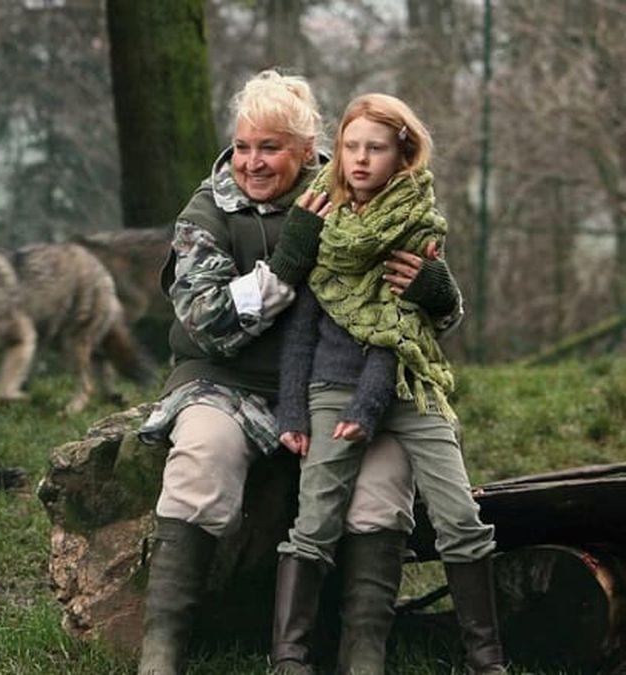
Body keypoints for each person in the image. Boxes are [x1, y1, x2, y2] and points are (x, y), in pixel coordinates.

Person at [135, 71, 465, 675]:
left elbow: (410, 315)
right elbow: (204, 324)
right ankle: (162, 649)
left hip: (343, 387)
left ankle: (363, 653)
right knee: (202, 454)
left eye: (270, 148)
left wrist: (438, 293)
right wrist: (286, 263)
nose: (252, 163)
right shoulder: (207, 212)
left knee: (383, 483)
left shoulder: (352, 194)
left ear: (307, 149)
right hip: (225, 382)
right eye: (242, 146)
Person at [271, 93, 506, 675]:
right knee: (315, 518)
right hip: (331, 388)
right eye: (351, 146)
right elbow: (298, 331)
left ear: (402, 155)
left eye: (375, 148)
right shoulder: (320, 218)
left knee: (459, 516)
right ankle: (288, 657)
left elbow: (399, 331)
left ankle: (487, 659)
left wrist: (437, 286)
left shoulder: (418, 225)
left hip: (409, 385)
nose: (359, 159)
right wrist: (292, 414)